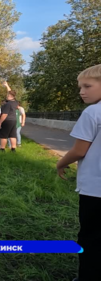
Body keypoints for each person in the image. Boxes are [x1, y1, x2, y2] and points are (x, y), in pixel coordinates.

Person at [56, 64, 101, 281]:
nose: (81, 91)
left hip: (95, 190)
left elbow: (79, 150)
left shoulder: (93, 112)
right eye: (79, 87)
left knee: (91, 238)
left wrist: (60, 163)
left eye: (87, 86)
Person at [0, 81, 18, 152]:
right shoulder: (15, 102)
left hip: (7, 120)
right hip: (13, 120)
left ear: (10, 96)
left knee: (3, 135)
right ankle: (13, 148)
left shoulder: (7, 104)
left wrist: (0, 122)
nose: (6, 96)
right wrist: (7, 85)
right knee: (12, 135)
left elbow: (5, 114)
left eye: (7, 95)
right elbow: (10, 92)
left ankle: (2, 148)